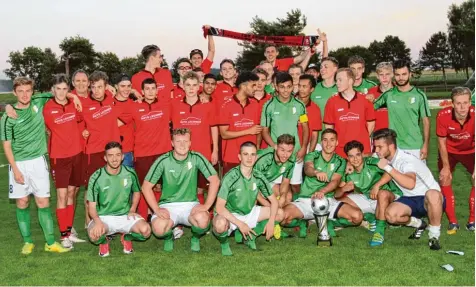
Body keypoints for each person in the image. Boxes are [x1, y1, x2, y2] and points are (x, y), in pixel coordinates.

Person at [0, 77, 81, 254]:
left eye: (28, 90)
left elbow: (58, 92)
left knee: (43, 201)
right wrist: (15, 169)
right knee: (22, 202)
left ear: (33, 92)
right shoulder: (8, 116)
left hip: (38, 160)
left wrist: (73, 97)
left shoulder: (39, 100)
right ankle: (27, 241)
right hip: (19, 163)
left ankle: (50, 242)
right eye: (20, 91)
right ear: (14, 92)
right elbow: (6, 145)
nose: (24, 94)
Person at [141, 128, 220, 252]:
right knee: (158, 229)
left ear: (190, 143)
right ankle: (169, 236)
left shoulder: (196, 157)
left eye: (185, 141)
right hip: (168, 206)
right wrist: (156, 209)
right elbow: (146, 186)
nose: (182, 144)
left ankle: (195, 238)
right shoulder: (163, 160)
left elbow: (215, 180)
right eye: (178, 141)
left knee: (203, 221)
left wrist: (207, 206)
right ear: (172, 143)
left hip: (190, 205)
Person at [281, 129, 361, 238]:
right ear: (321, 142)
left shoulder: (340, 161)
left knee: (357, 216)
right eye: (325, 140)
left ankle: (331, 223)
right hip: (307, 201)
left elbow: (335, 181)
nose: (328, 144)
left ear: (337, 142)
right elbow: (308, 169)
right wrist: (315, 172)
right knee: (282, 217)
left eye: (332, 140)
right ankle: (302, 222)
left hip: (328, 200)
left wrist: (322, 191)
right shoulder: (312, 155)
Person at [373, 128, 443, 250]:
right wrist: (378, 184)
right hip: (410, 199)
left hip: (430, 200)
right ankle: (419, 223)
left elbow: (410, 183)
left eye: (379, 147)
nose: (376, 150)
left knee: (433, 194)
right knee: (391, 216)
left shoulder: (406, 160)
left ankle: (434, 236)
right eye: (375, 147)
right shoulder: (391, 157)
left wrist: (387, 168)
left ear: (391, 146)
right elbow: (391, 170)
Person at [212, 141, 283, 256]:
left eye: (253, 154)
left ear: (256, 157)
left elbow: (274, 201)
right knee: (219, 224)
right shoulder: (231, 177)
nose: (249, 158)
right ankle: (224, 243)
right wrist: (240, 224)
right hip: (231, 214)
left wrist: (271, 222)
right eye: (246, 154)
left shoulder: (258, 176)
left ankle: (251, 236)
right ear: (239, 157)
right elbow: (219, 207)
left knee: (279, 213)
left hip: (249, 212)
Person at [43, 74, 87, 248]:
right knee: (61, 195)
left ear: (68, 89)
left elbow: (81, 119)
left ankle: (69, 230)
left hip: (77, 154)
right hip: (59, 157)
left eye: (65, 89)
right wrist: (73, 95)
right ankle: (64, 236)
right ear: (53, 90)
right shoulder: (48, 108)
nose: (61, 93)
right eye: (58, 89)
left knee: (71, 193)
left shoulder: (74, 105)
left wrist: (74, 97)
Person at [86, 142, 151, 257]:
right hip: (103, 217)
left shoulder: (130, 173)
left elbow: (137, 191)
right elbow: (91, 207)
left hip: (124, 215)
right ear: (105, 158)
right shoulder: (96, 177)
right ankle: (104, 241)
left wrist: (132, 209)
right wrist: (97, 221)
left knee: (146, 231)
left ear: (122, 157)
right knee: (94, 235)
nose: (114, 159)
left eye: (117, 155)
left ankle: (126, 237)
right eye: (110, 155)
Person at [120, 78, 172, 220]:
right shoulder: (134, 106)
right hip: (143, 153)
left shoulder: (166, 104)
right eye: (147, 89)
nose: (150, 91)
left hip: (163, 152)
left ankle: (161, 215)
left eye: (153, 88)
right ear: (142, 91)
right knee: (144, 186)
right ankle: (144, 216)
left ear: (157, 90)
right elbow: (116, 121)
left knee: (161, 187)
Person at [336, 140, 402, 246]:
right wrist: (343, 189)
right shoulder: (348, 171)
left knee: (382, 194)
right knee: (338, 202)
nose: (355, 159)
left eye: (358, 155)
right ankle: (369, 218)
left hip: (390, 197)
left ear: (362, 154)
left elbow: (390, 172)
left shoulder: (371, 162)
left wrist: (377, 185)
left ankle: (379, 233)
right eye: (351, 156)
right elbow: (336, 194)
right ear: (347, 158)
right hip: (369, 198)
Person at [171, 71, 218, 205]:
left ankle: (204, 215)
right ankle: (181, 219)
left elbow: (214, 127)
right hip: (181, 154)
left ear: (199, 87)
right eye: (188, 85)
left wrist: (215, 150)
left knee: (200, 188)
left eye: (194, 85)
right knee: (181, 187)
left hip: (202, 153)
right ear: (183, 86)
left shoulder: (207, 106)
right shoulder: (174, 105)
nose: (191, 88)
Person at [374, 60, 431, 161]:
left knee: (418, 177)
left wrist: (425, 145)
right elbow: (370, 106)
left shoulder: (419, 95)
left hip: (415, 146)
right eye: (397, 75)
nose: (401, 78)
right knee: (396, 176)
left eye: (404, 74)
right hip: (394, 146)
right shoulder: (389, 94)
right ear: (394, 75)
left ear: (410, 74)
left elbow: (426, 122)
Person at [261, 72, 309, 193]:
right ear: (276, 87)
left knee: (295, 185)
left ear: (293, 87)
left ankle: (298, 209)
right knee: (277, 187)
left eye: (288, 86)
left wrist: (303, 148)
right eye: (282, 87)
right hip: (276, 153)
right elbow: (265, 131)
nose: (285, 90)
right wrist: (274, 146)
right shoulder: (269, 106)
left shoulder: (300, 105)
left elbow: (305, 127)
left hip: (295, 152)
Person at [436, 87, 475, 233]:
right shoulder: (442, 115)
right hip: (449, 151)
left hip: (471, 151)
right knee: (444, 178)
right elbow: (441, 142)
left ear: (470, 102)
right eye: (458, 103)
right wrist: (445, 167)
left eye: (465, 103)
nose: (462, 107)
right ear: (452, 104)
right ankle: (453, 222)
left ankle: (472, 221)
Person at [324, 68, 375, 158]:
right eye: (336, 80)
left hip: (362, 149)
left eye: (340, 80)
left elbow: (371, 123)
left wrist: (361, 138)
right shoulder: (332, 101)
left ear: (350, 81)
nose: (337, 83)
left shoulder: (365, 100)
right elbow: (329, 127)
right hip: (340, 150)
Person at [219, 72, 262, 174]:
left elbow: (258, 130)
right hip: (231, 157)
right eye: (253, 85)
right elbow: (224, 134)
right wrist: (248, 131)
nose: (256, 88)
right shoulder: (226, 105)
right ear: (243, 86)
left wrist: (258, 150)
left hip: (250, 158)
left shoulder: (255, 104)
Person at [254, 134, 296, 208]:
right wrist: (269, 205)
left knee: (287, 197)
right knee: (252, 200)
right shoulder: (264, 158)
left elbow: (285, 181)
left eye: (289, 151)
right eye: (282, 150)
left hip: (266, 182)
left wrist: (282, 196)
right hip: (249, 183)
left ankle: (278, 217)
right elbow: (252, 184)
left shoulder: (291, 160)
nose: (285, 155)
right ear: (276, 147)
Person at [113, 74, 139, 168]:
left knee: (126, 181)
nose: (126, 89)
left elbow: (111, 124)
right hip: (111, 150)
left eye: (129, 86)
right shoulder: (108, 101)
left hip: (126, 151)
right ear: (116, 86)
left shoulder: (133, 105)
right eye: (122, 86)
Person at [297, 74, 322, 152]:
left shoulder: (315, 108)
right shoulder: (288, 103)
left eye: (304, 86)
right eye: (299, 86)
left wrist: (310, 155)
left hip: (306, 148)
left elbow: (315, 135)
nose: (301, 89)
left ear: (312, 89)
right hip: (287, 147)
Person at [367, 62, 393, 131]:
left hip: (395, 133)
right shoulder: (371, 92)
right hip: (377, 133)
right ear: (377, 76)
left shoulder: (398, 92)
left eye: (387, 74)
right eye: (381, 75)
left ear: (392, 74)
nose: (384, 77)